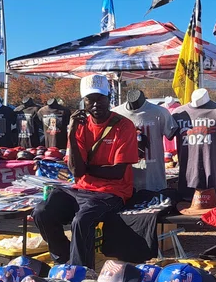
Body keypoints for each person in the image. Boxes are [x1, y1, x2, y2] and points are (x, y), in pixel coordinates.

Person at [33, 74, 138, 267]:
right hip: (81, 189)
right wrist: (72, 132)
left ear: (109, 98)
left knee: (82, 220)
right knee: (41, 211)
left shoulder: (124, 126)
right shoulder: (79, 126)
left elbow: (116, 173)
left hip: (112, 192)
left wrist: (85, 169)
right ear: (84, 101)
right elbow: (75, 171)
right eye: (90, 99)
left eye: (101, 98)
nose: (96, 104)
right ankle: (64, 260)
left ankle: (81, 272)